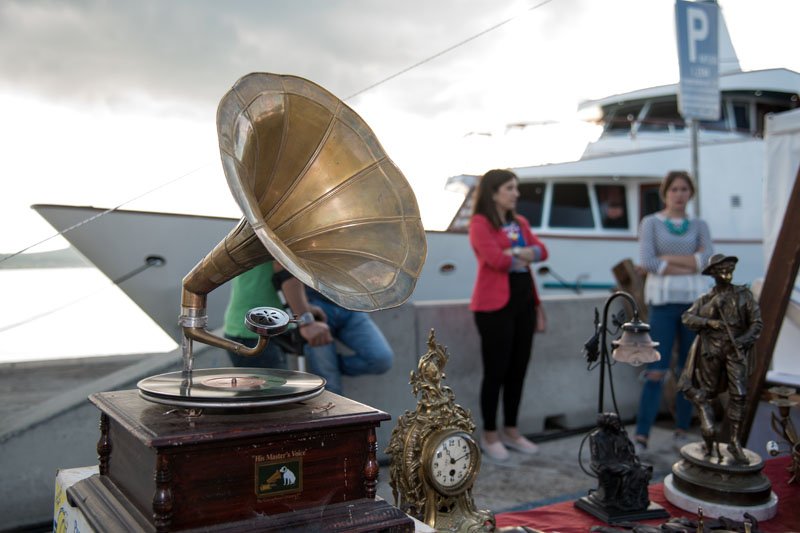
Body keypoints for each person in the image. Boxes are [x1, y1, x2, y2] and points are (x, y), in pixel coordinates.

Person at [469, 168, 548, 461]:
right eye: (510, 188)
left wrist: (517, 253)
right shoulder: (480, 224)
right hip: (494, 308)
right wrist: (523, 254)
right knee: (496, 372)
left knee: (518, 370)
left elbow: (543, 251)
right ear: (493, 193)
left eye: (516, 188)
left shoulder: (519, 223)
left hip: (524, 305)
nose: (516, 193)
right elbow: (496, 260)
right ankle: (490, 434)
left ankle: (511, 431)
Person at [634, 170, 713, 454]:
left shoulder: (699, 224)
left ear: (691, 193)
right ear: (665, 192)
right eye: (674, 189)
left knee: (688, 371)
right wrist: (690, 262)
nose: (679, 195)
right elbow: (647, 261)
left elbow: (707, 261)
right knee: (656, 369)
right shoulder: (651, 223)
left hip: (693, 304)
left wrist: (667, 259)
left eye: (684, 189)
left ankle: (682, 430)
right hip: (663, 303)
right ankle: (642, 435)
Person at [678, 254, 762, 463]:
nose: (727, 274)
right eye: (722, 271)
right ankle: (708, 441)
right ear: (714, 274)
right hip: (712, 350)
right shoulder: (706, 299)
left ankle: (734, 441)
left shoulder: (744, 295)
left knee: (739, 395)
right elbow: (687, 317)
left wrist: (742, 341)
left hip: (735, 349)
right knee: (707, 394)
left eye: (729, 270)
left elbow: (756, 323)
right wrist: (709, 322)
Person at [272, 264, 393, 396]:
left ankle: (328, 367)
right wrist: (305, 317)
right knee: (331, 384)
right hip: (313, 305)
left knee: (381, 359)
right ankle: (326, 370)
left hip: (350, 303)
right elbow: (285, 269)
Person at [222, 262, 289, 369]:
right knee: (277, 379)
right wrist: (305, 316)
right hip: (255, 331)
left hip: (241, 324)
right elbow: (285, 270)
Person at [588, 412, 653, 511]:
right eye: (614, 422)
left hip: (622, 461)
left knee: (643, 470)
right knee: (627, 471)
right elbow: (598, 457)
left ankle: (638, 497)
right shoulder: (596, 436)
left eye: (617, 422)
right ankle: (625, 498)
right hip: (607, 462)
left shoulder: (619, 434)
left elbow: (629, 451)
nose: (617, 424)